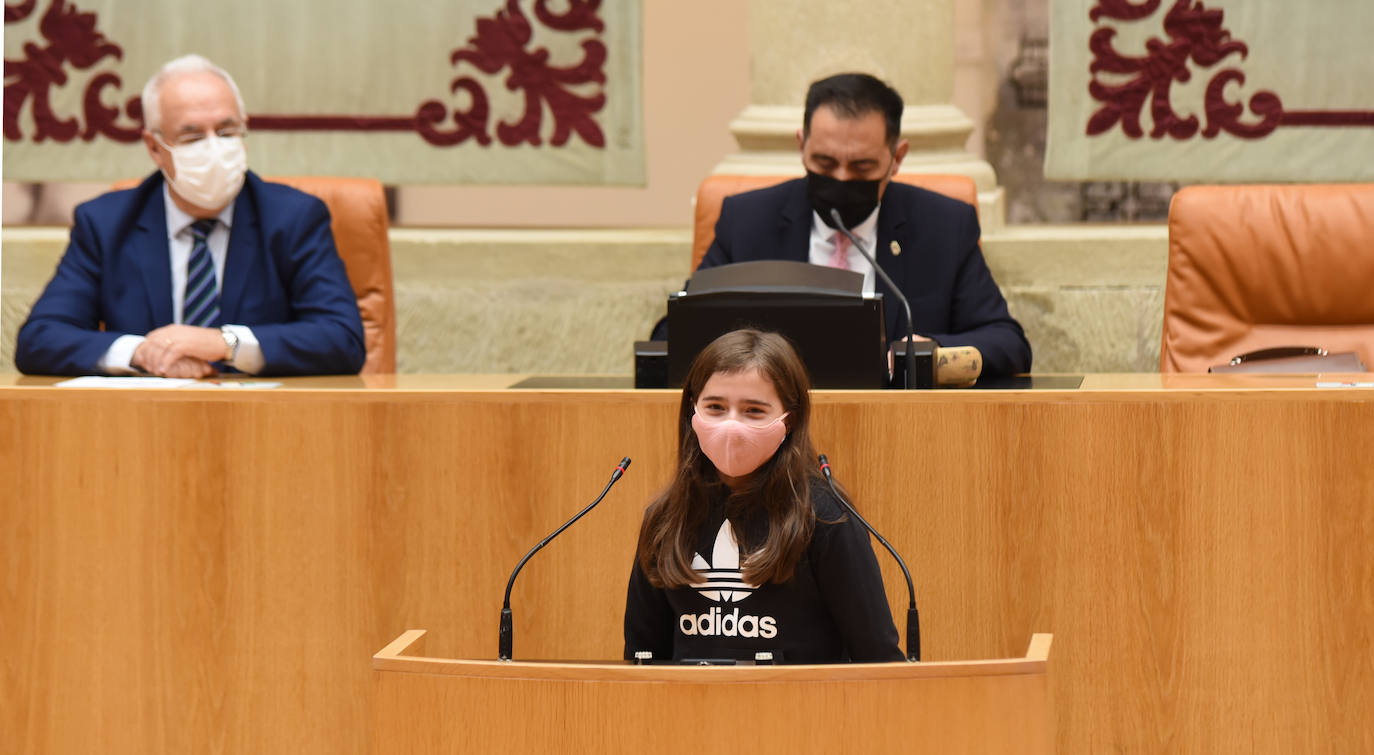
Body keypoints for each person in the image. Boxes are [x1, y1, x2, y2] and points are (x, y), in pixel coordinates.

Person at [653, 73, 1031, 378]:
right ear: (802, 146)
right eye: (824, 163)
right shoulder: (748, 221)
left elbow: (1007, 343)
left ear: (897, 158)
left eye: (862, 167)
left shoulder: (943, 226)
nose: (842, 178)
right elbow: (672, 338)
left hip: (897, 427)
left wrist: (926, 352)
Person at [15, 54, 365, 377]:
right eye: (192, 135)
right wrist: (142, 352)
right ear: (154, 147)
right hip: (145, 426)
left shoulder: (293, 218)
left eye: (227, 131)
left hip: (265, 425)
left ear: (244, 133)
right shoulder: (106, 223)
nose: (215, 147)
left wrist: (223, 344)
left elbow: (342, 338)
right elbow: (40, 339)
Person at [623, 329, 903, 663]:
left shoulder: (827, 519)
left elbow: (879, 661)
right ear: (692, 413)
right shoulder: (665, 518)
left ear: (790, 420)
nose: (731, 425)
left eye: (754, 410)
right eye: (715, 407)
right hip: (690, 711)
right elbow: (642, 661)